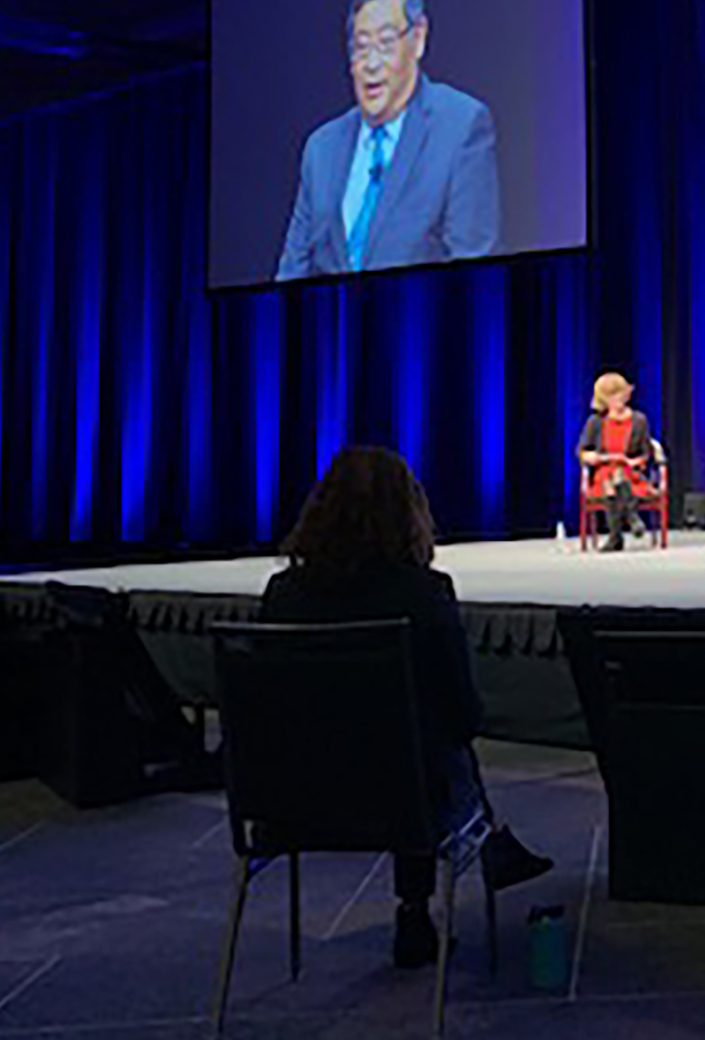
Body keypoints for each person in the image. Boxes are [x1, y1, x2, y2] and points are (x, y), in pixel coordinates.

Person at [259, 447, 551, 970]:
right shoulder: (424, 593)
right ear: (408, 512)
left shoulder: (282, 595)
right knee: (426, 747)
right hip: (405, 798)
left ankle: (484, 851)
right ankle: (430, 896)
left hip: (292, 800)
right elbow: (464, 715)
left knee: (399, 745)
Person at [276, 0, 500, 281]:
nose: (371, 64)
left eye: (385, 44)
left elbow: (476, 275)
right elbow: (290, 273)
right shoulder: (321, 150)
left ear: (418, 38)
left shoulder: (461, 129)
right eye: (361, 47)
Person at [577, 373, 660, 552]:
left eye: (620, 393)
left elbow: (646, 453)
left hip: (631, 474)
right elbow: (583, 453)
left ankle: (615, 538)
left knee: (617, 480)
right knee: (611, 481)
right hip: (603, 474)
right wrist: (602, 458)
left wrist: (634, 461)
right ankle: (631, 517)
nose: (618, 399)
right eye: (612, 396)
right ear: (604, 399)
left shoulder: (639, 420)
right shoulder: (595, 422)